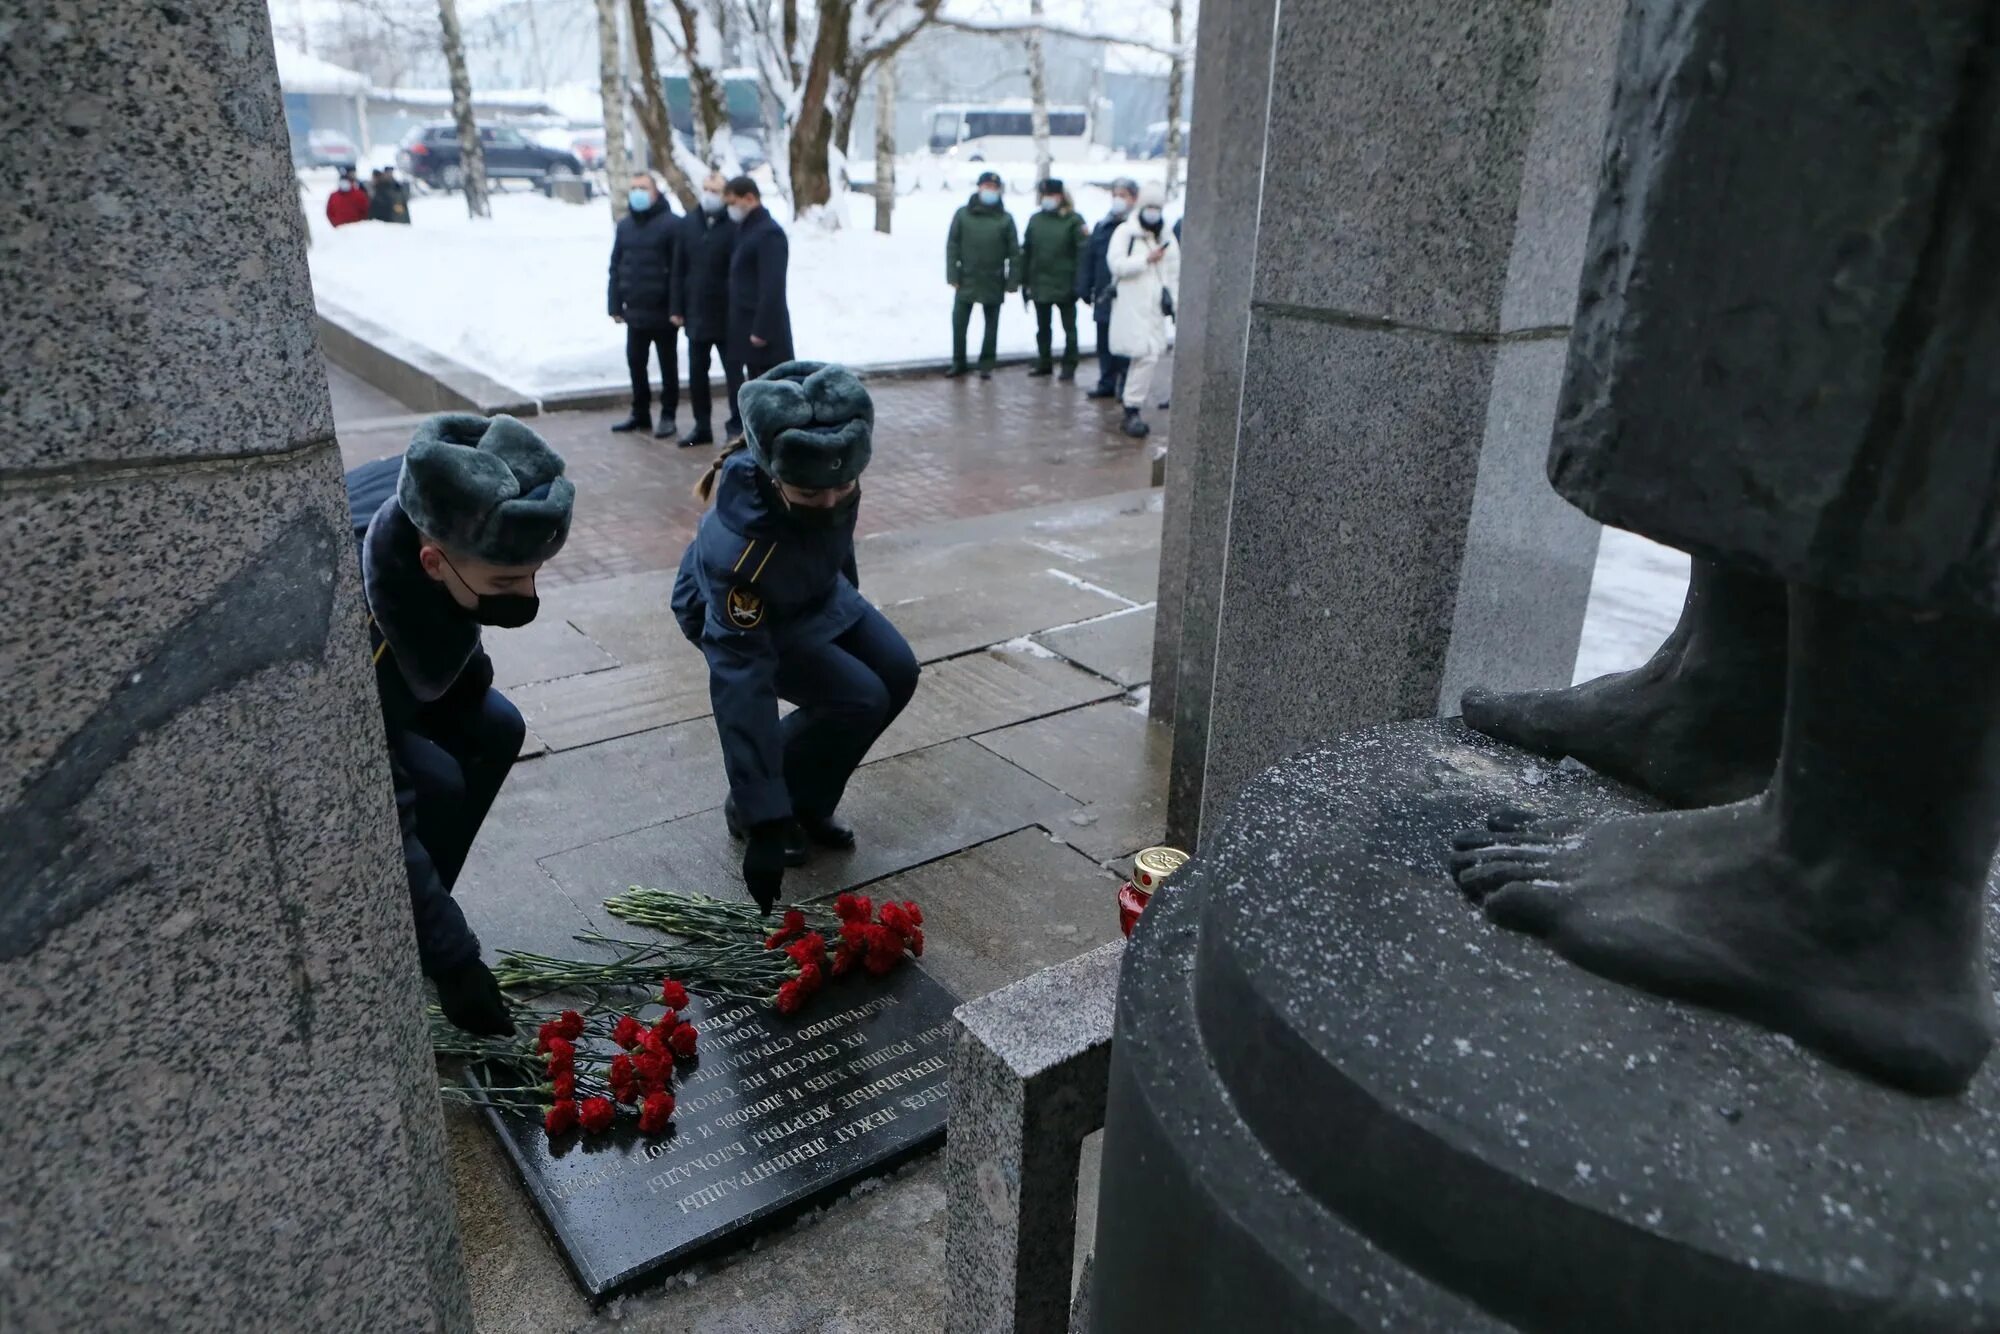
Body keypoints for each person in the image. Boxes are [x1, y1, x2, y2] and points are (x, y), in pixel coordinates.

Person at [345, 414, 575, 1034]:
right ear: (432, 562)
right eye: (505, 580)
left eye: (533, 574)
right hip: (322, 714)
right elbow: (377, 806)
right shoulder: (356, 626)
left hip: (401, 662)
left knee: (497, 725)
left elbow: (447, 632)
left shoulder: (449, 499)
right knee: (436, 783)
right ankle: (406, 932)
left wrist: (466, 678)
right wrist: (456, 962)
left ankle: (420, 909)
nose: (526, 596)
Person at [671, 362, 918, 913]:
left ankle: (807, 801)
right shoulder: (741, 550)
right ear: (774, 475)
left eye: (844, 488)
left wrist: (848, 615)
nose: (831, 503)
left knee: (898, 671)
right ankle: (756, 805)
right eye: (810, 494)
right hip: (751, 614)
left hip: (812, 589)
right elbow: (741, 680)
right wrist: (762, 817)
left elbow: (833, 542)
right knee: (858, 697)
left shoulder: (828, 473)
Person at [608, 172, 681, 439]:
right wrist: (615, 304)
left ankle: (668, 414)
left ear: (655, 192)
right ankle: (640, 413)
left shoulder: (672, 225)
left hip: (663, 312)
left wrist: (677, 308)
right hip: (635, 311)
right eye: (634, 188)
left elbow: (678, 271)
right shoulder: (625, 225)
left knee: (667, 366)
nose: (637, 193)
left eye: (643, 188)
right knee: (636, 363)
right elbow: (616, 266)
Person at [671, 171, 741, 447]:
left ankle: (736, 425)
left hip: (727, 316)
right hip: (696, 314)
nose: (709, 194)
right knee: (697, 374)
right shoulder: (689, 223)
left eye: (716, 190)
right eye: (706, 188)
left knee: (734, 375)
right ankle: (702, 425)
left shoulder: (735, 226)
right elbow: (679, 269)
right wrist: (677, 307)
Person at [723, 176, 794, 447]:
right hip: (747, 327)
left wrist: (761, 329)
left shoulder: (768, 233)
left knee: (774, 391)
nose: (731, 208)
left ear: (749, 198)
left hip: (766, 333)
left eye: (733, 202)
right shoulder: (747, 229)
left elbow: (772, 286)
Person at [1107, 181, 1180, 438]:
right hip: (1131, 306)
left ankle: (1132, 407)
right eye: (1149, 206)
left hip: (1154, 309)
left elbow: (1173, 271)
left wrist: (1173, 299)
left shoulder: (1166, 235)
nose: (1153, 212)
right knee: (1137, 354)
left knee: (1148, 356)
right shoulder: (1126, 233)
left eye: (1157, 207)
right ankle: (1130, 407)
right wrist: (1144, 260)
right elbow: (1116, 265)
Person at [944, 170, 1019, 380]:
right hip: (966, 278)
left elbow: (1014, 252)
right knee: (959, 323)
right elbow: (952, 245)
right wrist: (952, 275)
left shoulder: (1005, 219)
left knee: (991, 325)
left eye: (994, 188)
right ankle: (958, 362)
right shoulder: (963, 214)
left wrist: (1012, 280)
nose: (990, 191)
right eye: (986, 187)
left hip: (993, 279)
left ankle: (987, 363)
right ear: (979, 188)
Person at [1020, 177, 1087, 380]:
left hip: (1065, 284)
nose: (1048, 199)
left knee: (1069, 329)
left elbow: (1083, 253)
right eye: (1045, 195)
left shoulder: (1074, 220)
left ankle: (1069, 364)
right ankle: (1044, 362)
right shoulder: (1036, 220)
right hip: (1040, 284)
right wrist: (1025, 282)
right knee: (1043, 328)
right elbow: (1027, 251)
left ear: (1061, 196)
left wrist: (1079, 283)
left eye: (1052, 195)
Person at [1080, 178, 1138, 400]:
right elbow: (1090, 258)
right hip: (1104, 293)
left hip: (1128, 295)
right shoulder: (1102, 226)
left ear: (1134, 198)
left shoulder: (1137, 228)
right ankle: (1107, 381)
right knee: (1103, 341)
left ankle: (1125, 383)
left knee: (1124, 342)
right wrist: (1085, 287)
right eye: (1116, 194)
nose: (1118, 200)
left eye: (1124, 195)